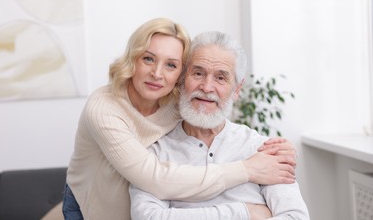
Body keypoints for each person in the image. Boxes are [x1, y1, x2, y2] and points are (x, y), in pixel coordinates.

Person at [63, 18, 298, 220]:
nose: (157, 73)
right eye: (148, 59)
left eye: (171, 65)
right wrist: (244, 203)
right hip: (93, 201)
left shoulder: (177, 100)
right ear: (132, 58)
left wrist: (284, 150)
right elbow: (154, 183)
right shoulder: (105, 108)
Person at [129, 31, 310, 220]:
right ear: (182, 81)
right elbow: (148, 218)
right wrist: (245, 213)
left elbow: (295, 217)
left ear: (237, 89)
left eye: (221, 78)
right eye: (198, 73)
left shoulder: (264, 150)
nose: (207, 87)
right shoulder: (156, 151)